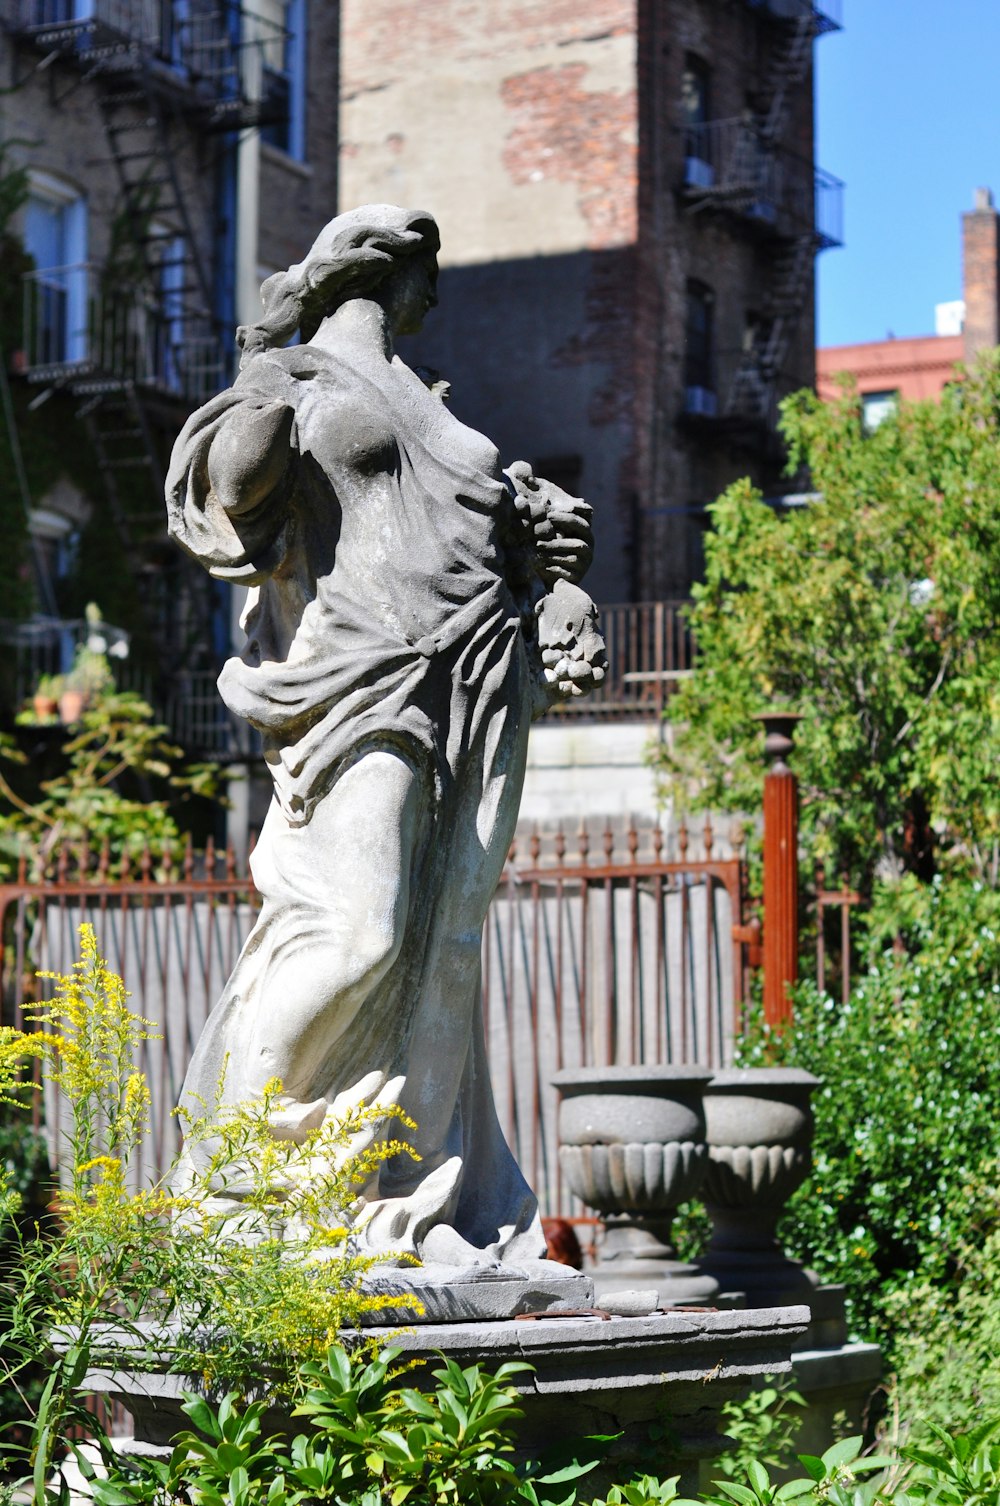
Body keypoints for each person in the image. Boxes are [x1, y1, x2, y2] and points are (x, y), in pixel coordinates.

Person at [165, 204, 605, 1267]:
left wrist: (560, 582)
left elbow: (508, 532)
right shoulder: (299, 376)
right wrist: (267, 362)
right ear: (381, 272)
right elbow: (234, 491)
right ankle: (231, 1172)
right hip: (362, 673)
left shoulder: (432, 400)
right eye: (424, 271)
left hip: (480, 672)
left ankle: (405, 1185)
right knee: (357, 926)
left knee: (440, 944)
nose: (433, 294)